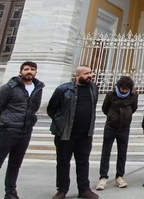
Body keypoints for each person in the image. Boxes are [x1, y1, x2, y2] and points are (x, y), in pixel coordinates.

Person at [0, 61, 44, 199]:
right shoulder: (9, 88)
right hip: (7, 131)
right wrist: (1, 126)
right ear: (20, 71)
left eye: (32, 69)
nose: (29, 72)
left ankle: (10, 193)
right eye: (26, 69)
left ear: (36, 72)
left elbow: (34, 108)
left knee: (15, 165)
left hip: (25, 132)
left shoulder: (38, 88)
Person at [47, 66, 98, 199]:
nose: (90, 75)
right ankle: (62, 190)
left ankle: (84, 189)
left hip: (85, 134)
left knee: (83, 161)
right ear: (77, 75)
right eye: (86, 73)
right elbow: (52, 109)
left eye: (90, 73)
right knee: (63, 161)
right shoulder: (63, 89)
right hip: (66, 133)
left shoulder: (93, 88)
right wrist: (60, 123)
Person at [96, 76, 138, 190]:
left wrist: (125, 117)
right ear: (118, 87)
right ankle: (103, 177)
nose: (124, 91)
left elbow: (133, 109)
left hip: (124, 128)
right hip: (111, 126)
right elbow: (105, 109)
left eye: (126, 89)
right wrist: (112, 117)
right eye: (122, 88)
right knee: (106, 152)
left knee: (122, 153)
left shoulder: (133, 96)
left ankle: (120, 176)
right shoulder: (111, 95)